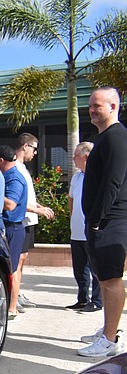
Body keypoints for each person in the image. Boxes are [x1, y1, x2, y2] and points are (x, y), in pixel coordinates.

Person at [78, 87, 127, 357]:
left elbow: (114, 181)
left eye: (98, 105)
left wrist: (97, 219)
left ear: (113, 106)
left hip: (111, 221)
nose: (93, 110)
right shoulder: (106, 138)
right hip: (104, 221)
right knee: (105, 277)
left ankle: (109, 340)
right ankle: (109, 330)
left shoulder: (117, 138)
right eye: (90, 106)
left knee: (111, 279)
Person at [13, 133, 54, 311]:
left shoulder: (22, 168)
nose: (35, 153)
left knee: (22, 260)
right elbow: (16, 200)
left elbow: (26, 196)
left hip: (29, 221)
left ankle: (17, 293)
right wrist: (37, 210)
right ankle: (12, 297)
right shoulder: (14, 167)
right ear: (25, 147)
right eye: (34, 148)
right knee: (17, 261)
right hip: (21, 221)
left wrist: (39, 206)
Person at [0, 145, 28, 319]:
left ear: (0, 160)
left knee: (12, 269)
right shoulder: (10, 176)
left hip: (13, 228)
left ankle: (12, 308)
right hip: (11, 227)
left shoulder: (13, 179)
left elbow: (11, 204)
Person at [67, 142, 100, 311]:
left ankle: (96, 301)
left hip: (92, 231)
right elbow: (71, 198)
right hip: (77, 232)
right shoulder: (76, 177)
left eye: (76, 156)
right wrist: (73, 216)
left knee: (95, 269)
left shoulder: (97, 175)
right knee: (79, 269)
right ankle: (82, 299)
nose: (73, 159)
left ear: (86, 156)